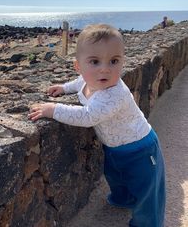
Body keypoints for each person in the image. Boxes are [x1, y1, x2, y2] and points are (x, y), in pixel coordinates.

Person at [28, 24, 165, 227]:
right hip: (114, 147)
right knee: (116, 176)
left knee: (147, 192)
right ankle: (123, 198)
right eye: (94, 61)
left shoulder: (114, 93)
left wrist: (53, 110)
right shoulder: (88, 81)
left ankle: (148, 223)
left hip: (141, 149)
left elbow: (87, 116)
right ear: (79, 67)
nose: (105, 69)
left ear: (122, 62)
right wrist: (64, 88)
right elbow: (79, 83)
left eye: (114, 61)